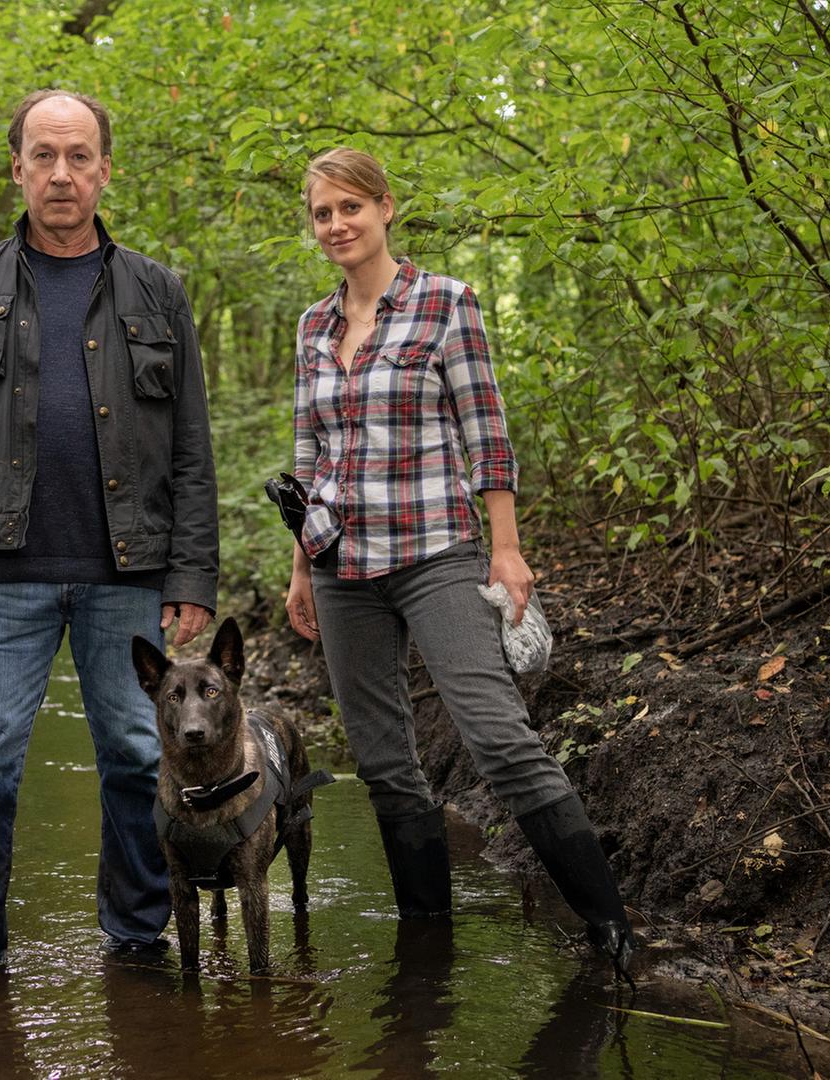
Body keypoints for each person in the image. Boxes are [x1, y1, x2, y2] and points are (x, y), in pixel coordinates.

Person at [282, 147, 634, 974]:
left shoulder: (447, 304)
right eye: (322, 213)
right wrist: (301, 567)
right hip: (340, 565)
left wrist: (506, 550)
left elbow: (487, 433)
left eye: (350, 208)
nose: (336, 225)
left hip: (438, 549)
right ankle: (427, 948)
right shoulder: (311, 327)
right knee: (382, 762)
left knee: (499, 740)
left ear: (385, 208)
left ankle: (610, 928)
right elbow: (307, 456)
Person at [0, 88, 219, 969]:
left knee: (131, 759)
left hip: (130, 570)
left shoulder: (158, 290)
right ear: (18, 169)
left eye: (80, 156)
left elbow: (191, 444)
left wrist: (192, 576)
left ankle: (138, 944)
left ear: (106, 170)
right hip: (4, 572)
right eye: (44, 155)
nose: (63, 174)